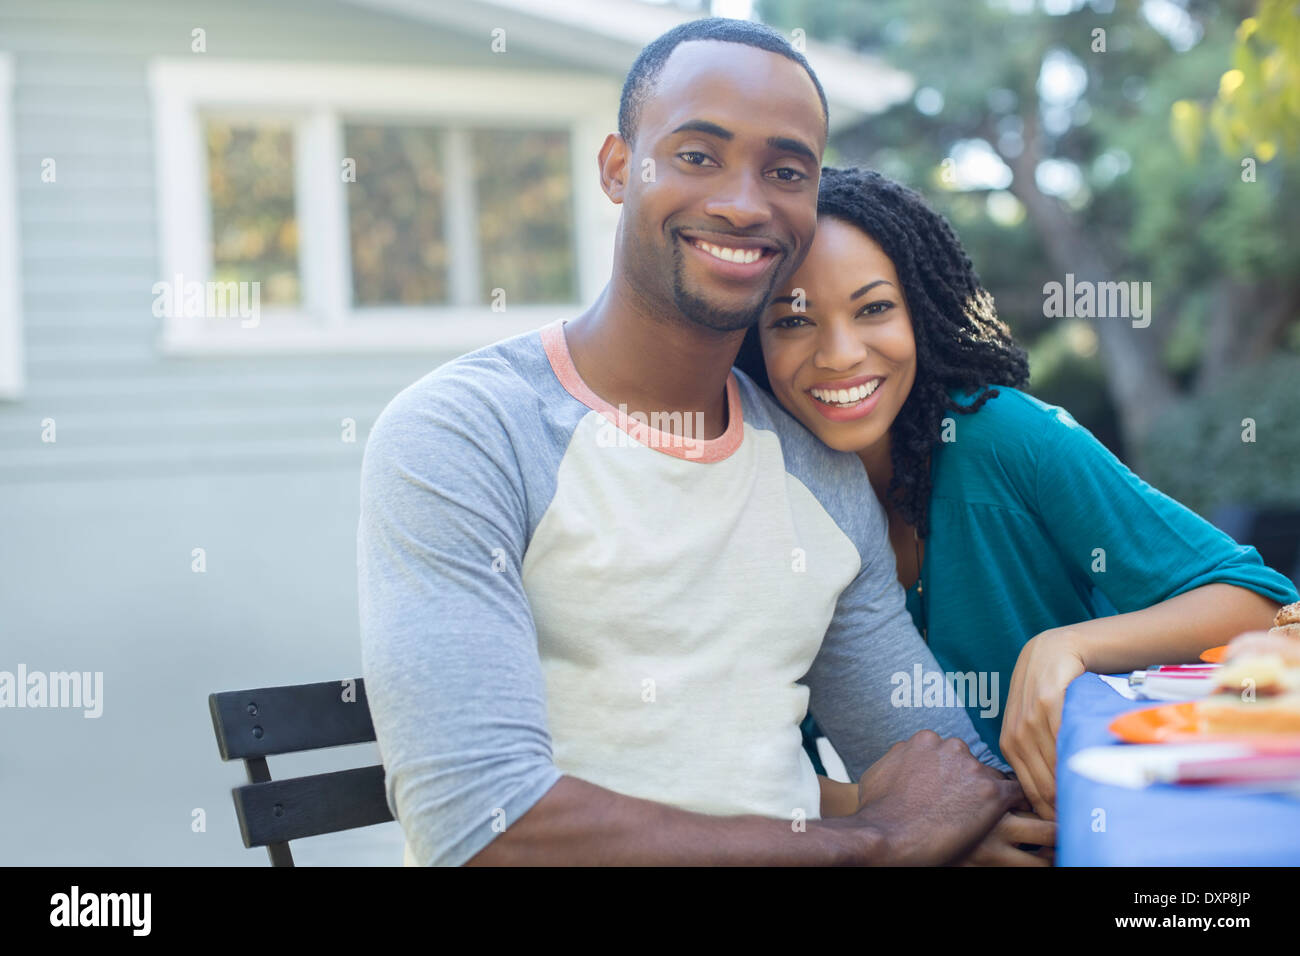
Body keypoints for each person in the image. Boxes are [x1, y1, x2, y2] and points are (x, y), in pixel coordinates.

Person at [358, 19, 1048, 866]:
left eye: (786, 171)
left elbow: (935, 768)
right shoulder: (468, 435)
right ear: (619, 168)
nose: (744, 202)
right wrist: (873, 844)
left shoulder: (815, 472)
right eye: (697, 155)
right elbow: (483, 824)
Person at [733, 165, 1300, 820]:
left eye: (874, 309)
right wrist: (914, 821)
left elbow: (1258, 605)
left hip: (1102, 830)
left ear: (923, 311)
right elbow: (755, 765)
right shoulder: (759, 501)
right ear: (754, 340)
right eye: (792, 322)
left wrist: (1069, 646)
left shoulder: (1006, 438)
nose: (838, 354)